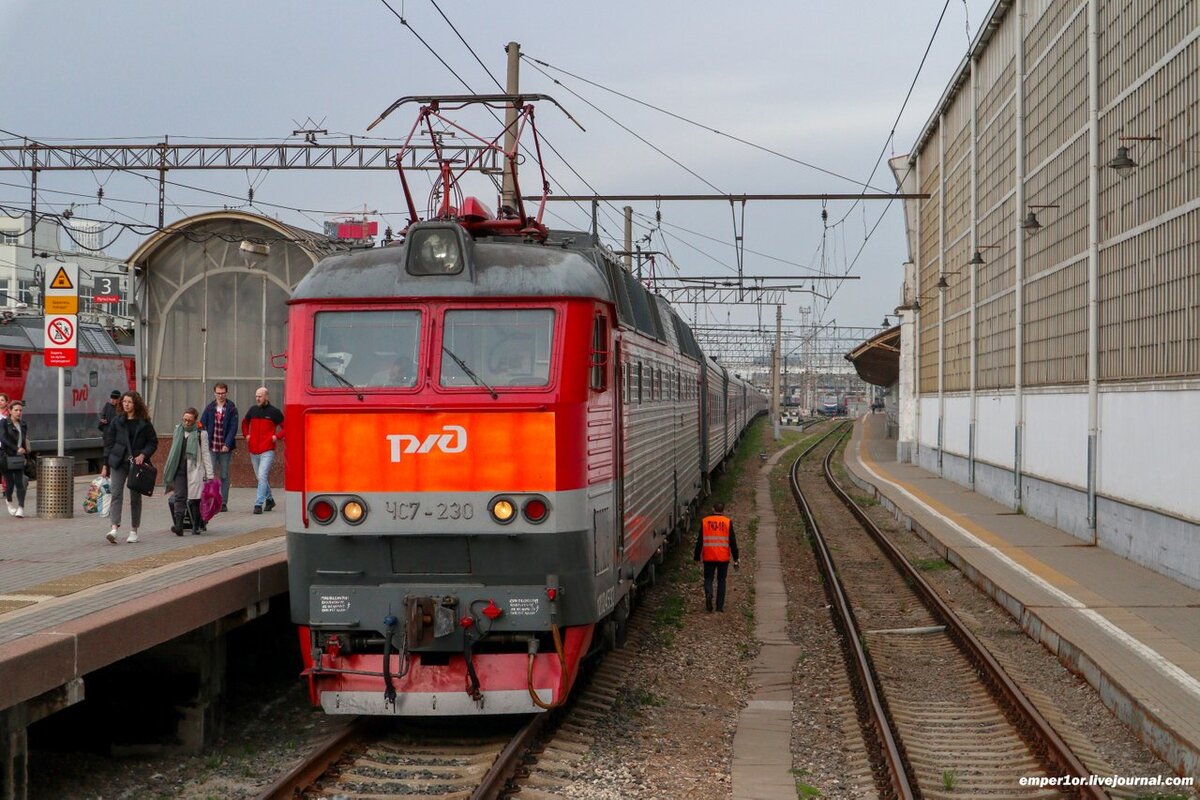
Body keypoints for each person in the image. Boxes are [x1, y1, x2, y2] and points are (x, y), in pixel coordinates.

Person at [101, 391, 158, 544]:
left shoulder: (144, 423)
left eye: (129, 402)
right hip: (118, 462)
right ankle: (114, 528)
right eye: (124, 401)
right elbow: (109, 443)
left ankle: (134, 530)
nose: (126, 404)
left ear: (136, 404)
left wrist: (143, 455)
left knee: (135, 498)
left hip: (136, 465)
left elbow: (153, 442)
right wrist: (105, 464)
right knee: (116, 494)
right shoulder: (117, 421)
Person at [163, 407, 214, 535]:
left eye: (189, 421)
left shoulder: (200, 433)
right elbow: (173, 451)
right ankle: (179, 526)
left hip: (194, 469)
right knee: (179, 497)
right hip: (179, 469)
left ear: (195, 421)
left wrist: (210, 474)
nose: (186, 423)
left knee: (194, 499)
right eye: (185, 420)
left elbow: (205, 454)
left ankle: (196, 526)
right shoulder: (178, 430)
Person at [242, 386, 284, 515]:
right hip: (253, 450)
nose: (257, 398)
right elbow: (244, 423)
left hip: (267, 450)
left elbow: (286, 427)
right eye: (256, 396)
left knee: (262, 476)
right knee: (260, 477)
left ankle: (258, 504)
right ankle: (270, 499)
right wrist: (246, 435)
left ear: (266, 397)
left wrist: (276, 437)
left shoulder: (274, 412)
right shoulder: (253, 410)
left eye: (260, 396)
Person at [694, 502, 740, 613]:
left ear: (713, 508)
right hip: (723, 557)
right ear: (723, 510)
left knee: (708, 578)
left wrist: (696, 556)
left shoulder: (705, 521)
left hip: (709, 556)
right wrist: (736, 558)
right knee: (721, 581)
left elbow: (700, 541)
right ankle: (719, 607)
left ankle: (709, 593)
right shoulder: (727, 522)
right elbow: (732, 542)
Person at [199, 382, 238, 512]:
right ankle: (208, 499)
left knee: (224, 475)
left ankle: (223, 502)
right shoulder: (210, 408)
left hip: (225, 448)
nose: (220, 395)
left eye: (223, 393)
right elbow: (202, 423)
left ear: (226, 393)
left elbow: (233, 427)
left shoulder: (231, 408)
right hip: (212, 446)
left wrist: (227, 444)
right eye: (218, 393)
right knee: (209, 474)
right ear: (214, 393)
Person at [0, 400, 31, 517]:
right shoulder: (3, 423)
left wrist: (25, 455)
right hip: (6, 457)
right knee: (10, 484)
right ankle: (9, 500)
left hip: (18, 457)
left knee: (20, 482)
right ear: (10, 411)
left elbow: (23, 441)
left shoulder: (23, 424)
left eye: (20, 410)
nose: (19, 412)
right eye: (16, 410)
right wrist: (16, 448)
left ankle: (21, 508)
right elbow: (2, 438)